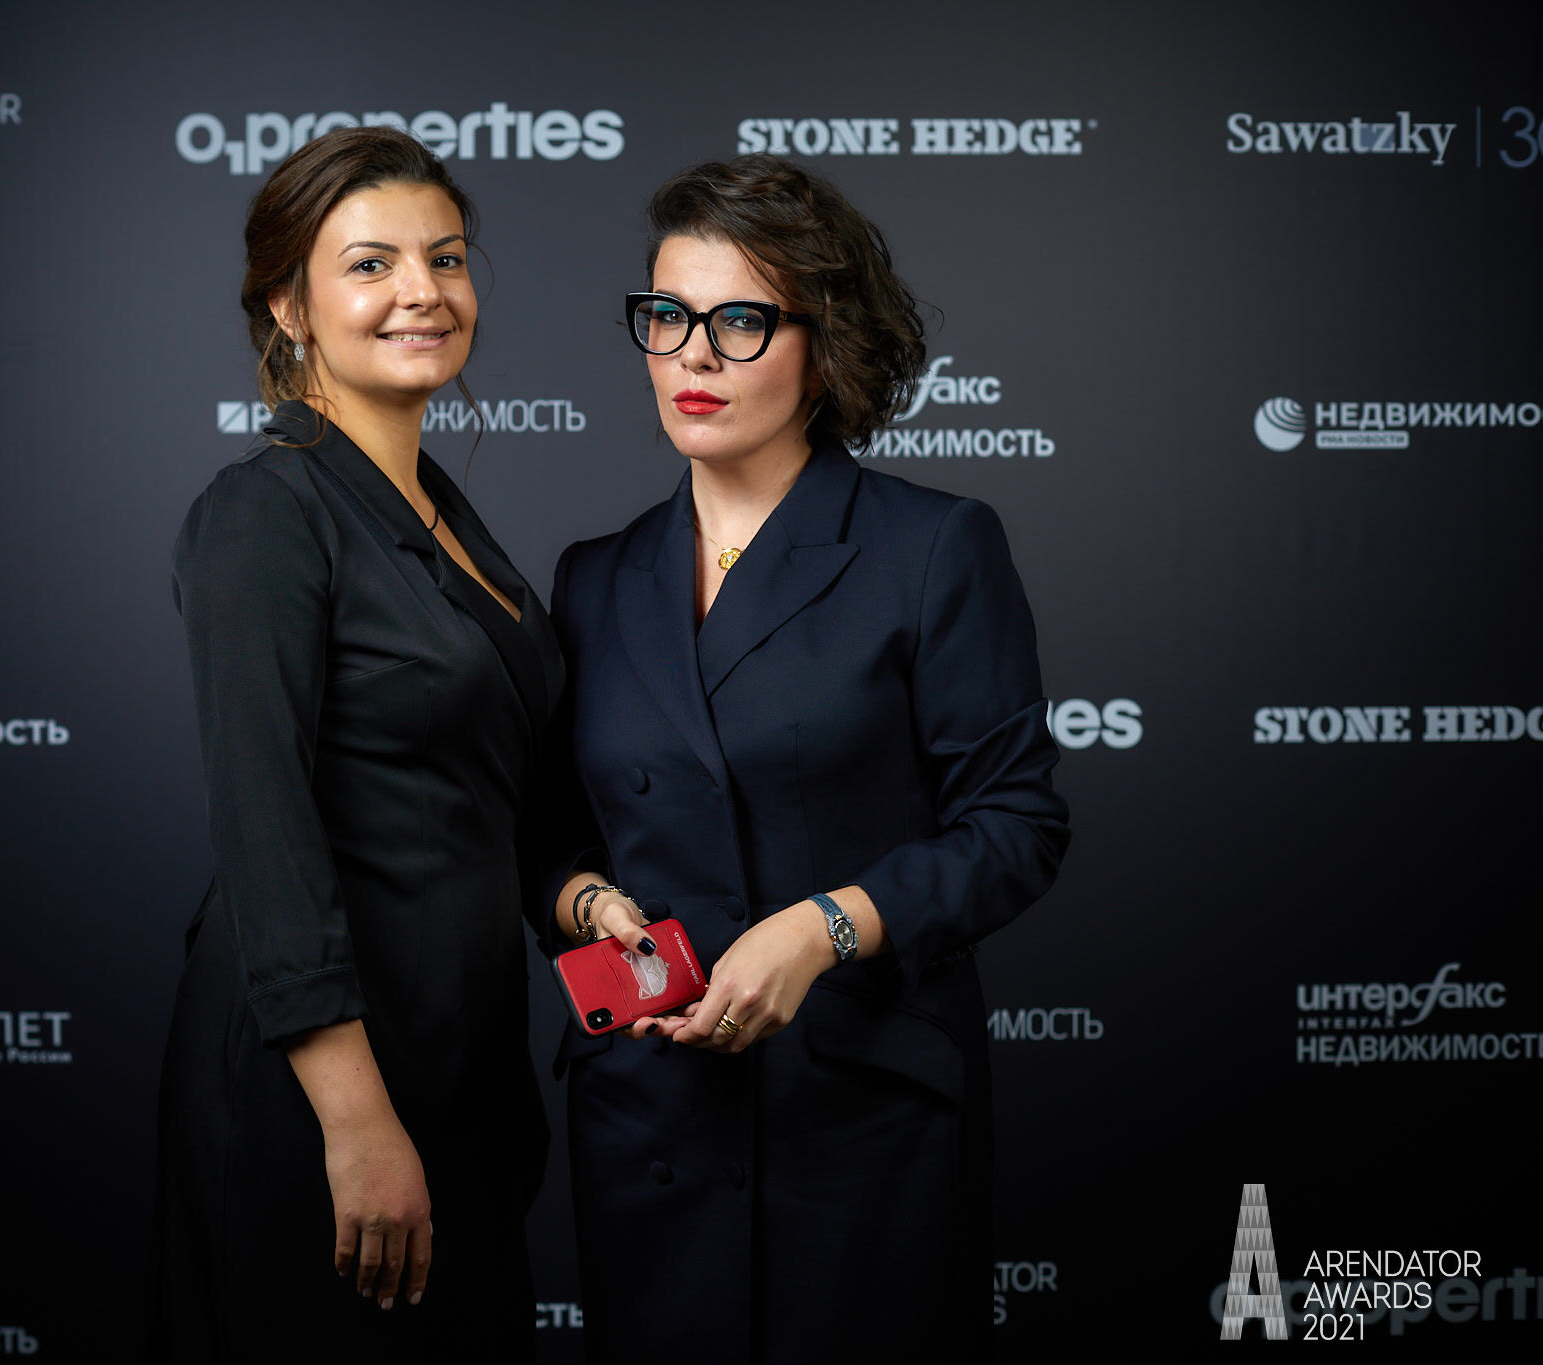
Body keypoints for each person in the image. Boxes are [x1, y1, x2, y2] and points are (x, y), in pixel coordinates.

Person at [541, 155, 1070, 1360]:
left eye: (739, 321)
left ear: (822, 348)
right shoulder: (592, 577)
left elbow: (1014, 827)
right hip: (652, 1119)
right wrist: (588, 906)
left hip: (860, 1120)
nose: (693, 356)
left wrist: (822, 928)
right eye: (667, 317)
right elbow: (549, 839)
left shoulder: (931, 546)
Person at [151, 126, 560, 1363]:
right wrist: (355, 1122)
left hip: (460, 1061)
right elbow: (264, 829)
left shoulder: (442, 514)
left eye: (446, 257)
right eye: (370, 265)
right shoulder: (262, 513)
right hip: (328, 1088)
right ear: (289, 307)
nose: (421, 292)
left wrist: (592, 909)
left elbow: (494, 795)